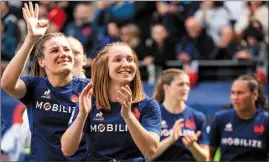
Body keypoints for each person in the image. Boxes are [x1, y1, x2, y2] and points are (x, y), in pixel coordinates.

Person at [1, 2, 89, 161]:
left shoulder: (89, 88)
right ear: (42, 62)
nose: (64, 54)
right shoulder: (35, 86)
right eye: (55, 50)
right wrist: (31, 40)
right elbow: (7, 83)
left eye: (67, 49)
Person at [61, 42, 162, 161]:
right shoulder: (89, 102)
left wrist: (128, 116)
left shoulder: (148, 105)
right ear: (105, 67)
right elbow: (67, 150)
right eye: (117, 60)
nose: (126, 64)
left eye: (130, 59)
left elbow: (151, 150)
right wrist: (82, 115)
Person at [150, 68, 210, 161]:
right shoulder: (152, 115)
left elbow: (205, 158)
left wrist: (192, 146)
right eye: (180, 84)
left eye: (187, 84)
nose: (185, 88)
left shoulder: (197, 116)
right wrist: (171, 139)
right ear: (166, 88)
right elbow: (146, 156)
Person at [208, 74, 269, 161]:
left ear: (254, 95)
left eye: (240, 93)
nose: (235, 97)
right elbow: (208, 155)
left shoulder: (266, 121)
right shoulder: (220, 119)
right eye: (233, 93)